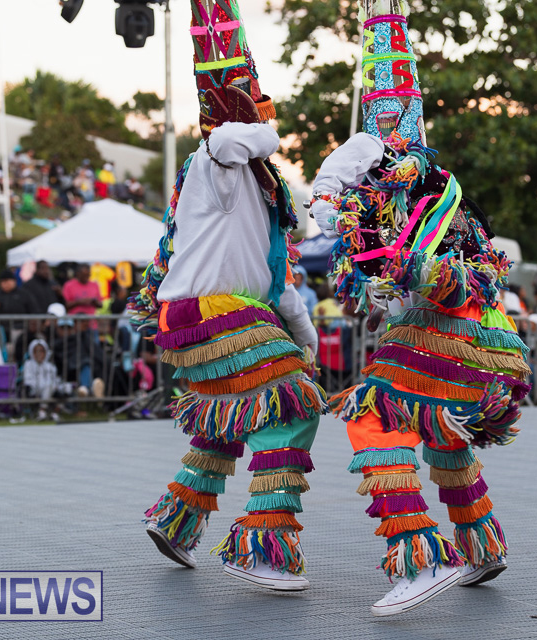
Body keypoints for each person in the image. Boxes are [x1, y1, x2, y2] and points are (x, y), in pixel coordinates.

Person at [309, 0, 529, 616]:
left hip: (451, 329)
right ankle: (481, 543)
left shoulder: (404, 179)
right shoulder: (436, 183)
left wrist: (340, 207)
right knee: (442, 432)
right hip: (481, 341)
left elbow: (410, 261)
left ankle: (423, 558)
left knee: (372, 417)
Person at [129, 0, 326, 593]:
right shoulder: (213, 162)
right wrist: (257, 121)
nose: (264, 112)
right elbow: (235, 140)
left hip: (216, 316)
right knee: (291, 404)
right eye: (254, 100)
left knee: (232, 412)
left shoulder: (264, 198)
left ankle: (178, 518)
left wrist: (307, 336)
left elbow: (277, 285)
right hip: (212, 314)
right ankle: (263, 545)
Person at [22, 339, 70, 421]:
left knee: (67, 387)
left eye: (41, 351)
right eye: (36, 351)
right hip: (35, 390)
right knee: (48, 386)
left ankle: (55, 413)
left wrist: (55, 386)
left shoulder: (50, 366)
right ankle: (42, 412)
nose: (39, 354)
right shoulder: (28, 364)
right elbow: (27, 381)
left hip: (51, 389)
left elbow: (54, 379)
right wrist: (43, 385)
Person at [0, 269, 33, 343]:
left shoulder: (24, 294)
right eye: (2, 281)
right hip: (0, 329)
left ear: (13, 281)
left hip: (19, 328)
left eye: (7, 281)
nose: (4, 284)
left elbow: (32, 309)